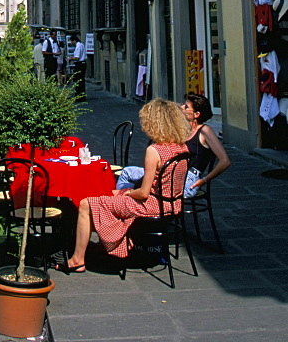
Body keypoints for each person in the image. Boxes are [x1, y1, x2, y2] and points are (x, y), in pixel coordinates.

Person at [66, 98, 190, 271]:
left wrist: (128, 193)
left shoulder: (155, 150)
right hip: (173, 204)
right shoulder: (182, 148)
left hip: (152, 205)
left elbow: (144, 193)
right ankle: (109, 244)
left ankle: (77, 259)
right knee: (110, 194)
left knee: (86, 204)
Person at [117, 93, 231, 198]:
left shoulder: (205, 131)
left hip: (189, 180)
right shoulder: (182, 130)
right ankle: (127, 202)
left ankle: (131, 202)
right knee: (127, 172)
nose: (181, 108)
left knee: (145, 187)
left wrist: (205, 180)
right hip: (171, 172)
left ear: (197, 114)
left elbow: (225, 161)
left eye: (186, 107)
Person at [70, 33, 87, 99]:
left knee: (78, 80)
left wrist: (71, 58)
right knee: (81, 80)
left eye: (72, 41)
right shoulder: (81, 44)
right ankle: (81, 94)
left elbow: (77, 57)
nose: (71, 43)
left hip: (80, 64)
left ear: (74, 40)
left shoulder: (78, 46)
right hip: (83, 63)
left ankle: (79, 95)